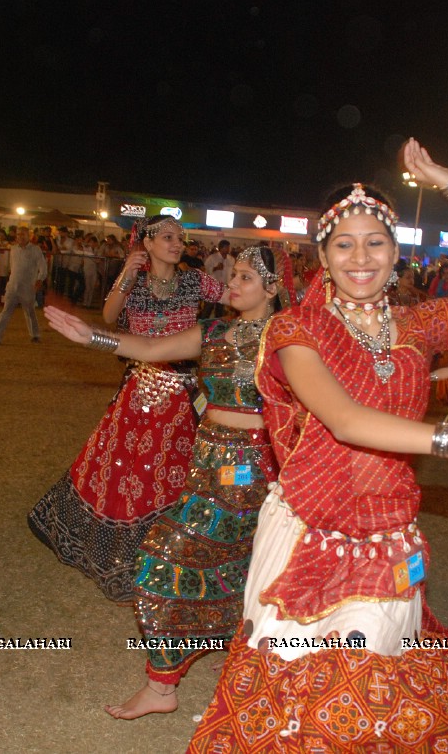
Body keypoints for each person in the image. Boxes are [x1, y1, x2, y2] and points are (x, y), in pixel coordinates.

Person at [188, 139, 448, 752]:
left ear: (397, 253)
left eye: (376, 242)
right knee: (295, 700)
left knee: (373, 703)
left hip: (387, 531)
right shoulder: (297, 329)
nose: (360, 257)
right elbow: (347, 421)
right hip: (308, 531)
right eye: (344, 243)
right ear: (322, 255)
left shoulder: (420, 326)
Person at [45, 246, 285, 720]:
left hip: (255, 473)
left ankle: (169, 686)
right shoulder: (215, 332)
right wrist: (90, 335)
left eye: (244, 278)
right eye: (232, 274)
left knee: (164, 557)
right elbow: (151, 349)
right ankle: (212, 671)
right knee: (243, 568)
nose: (231, 283)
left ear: (273, 290)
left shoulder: (285, 339)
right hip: (206, 466)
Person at [27, 214, 227, 602]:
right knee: (128, 468)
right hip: (141, 388)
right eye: (167, 237)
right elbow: (107, 318)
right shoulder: (133, 283)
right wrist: (124, 274)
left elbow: (233, 296)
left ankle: (174, 548)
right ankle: (128, 548)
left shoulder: (194, 280)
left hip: (186, 390)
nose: (177, 243)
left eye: (179, 237)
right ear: (147, 244)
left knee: (181, 469)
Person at [0, 225, 47, 345]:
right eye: (18, 234)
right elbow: (12, 267)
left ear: (28, 236)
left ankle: (35, 335)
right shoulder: (13, 249)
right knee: (6, 311)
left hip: (28, 287)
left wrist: (40, 279)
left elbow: (43, 267)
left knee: (30, 312)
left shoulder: (35, 250)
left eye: (23, 234)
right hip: (13, 285)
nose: (20, 237)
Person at [202, 239, 233, 318]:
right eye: (226, 247)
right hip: (213, 286)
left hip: (224, 287)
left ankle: (216, 327)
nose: (228, 249)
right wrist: (215, 268)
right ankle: (202, 326)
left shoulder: (231, 259)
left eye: (228, 247)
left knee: (220, 309)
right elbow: (206, 270)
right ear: (221, 248)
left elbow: (232, 273)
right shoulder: (212, 258)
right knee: (208, 308)